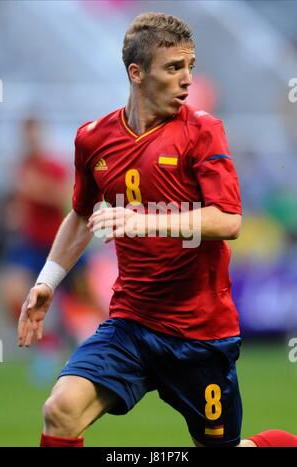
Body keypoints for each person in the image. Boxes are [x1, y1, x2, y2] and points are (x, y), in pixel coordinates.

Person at [18, 12, 297, 448]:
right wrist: (48, 281)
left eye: (190, 65)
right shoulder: (93, 139)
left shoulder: (203, 132)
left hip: (200, 333)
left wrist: (142, 220)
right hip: (131, 322)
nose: (187, 79)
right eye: (173, 68)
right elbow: (78, 215)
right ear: (137, 72)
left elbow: (228, 220)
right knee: (60, 410)